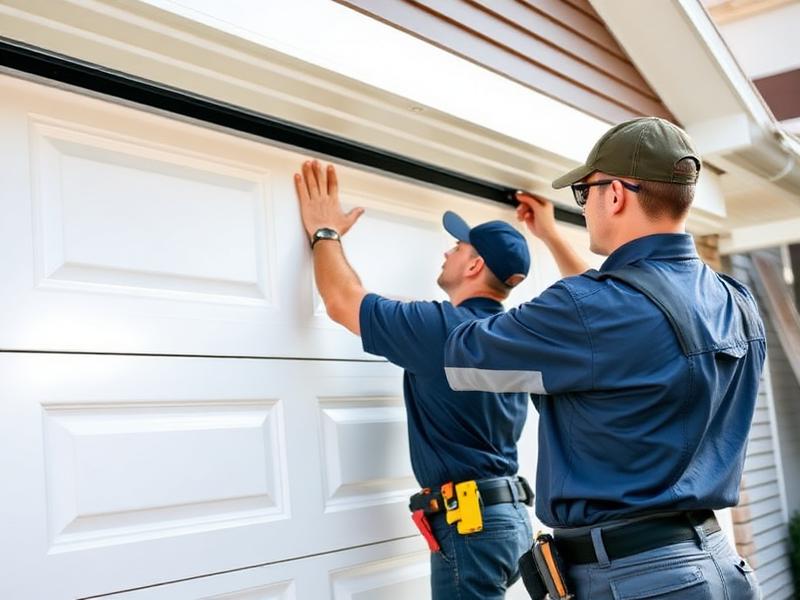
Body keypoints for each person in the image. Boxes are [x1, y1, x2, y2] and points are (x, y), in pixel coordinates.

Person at [444, 117, 766, 599]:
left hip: (636, 581)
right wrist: (553, 240)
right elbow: (618, 325)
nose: (585, 205)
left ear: (615, 194)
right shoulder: (737, 301)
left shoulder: (589, 307)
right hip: (718, 567)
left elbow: (464, 359)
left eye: (585, 191)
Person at [294, 159, 534, 600]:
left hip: (473, 524)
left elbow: (343, 302)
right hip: (509, 519)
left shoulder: (444, 331)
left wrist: (324, 233)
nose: (447, 252)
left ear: (475, 264)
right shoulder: (512, 336)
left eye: (457, 246)